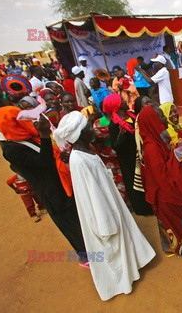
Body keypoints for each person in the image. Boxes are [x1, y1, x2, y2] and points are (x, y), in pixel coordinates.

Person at [53, 111, 155, 300]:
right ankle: (122, 280)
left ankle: (132, 267)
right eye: (88, 128)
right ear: (79, 134)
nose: (92, 129)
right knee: (112, 245)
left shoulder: (86, 150)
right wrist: (105, 222)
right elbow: (91, 195)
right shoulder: (79, 160)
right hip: (102, 211)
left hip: (110, 202)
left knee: (123, 239)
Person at [0, 107, 86, 262]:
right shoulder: (12, 149)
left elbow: (50, 154)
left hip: (63, 185)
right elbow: (43, 163)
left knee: (80, 220)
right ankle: (89, 259)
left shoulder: (28, 136)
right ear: (12, 124)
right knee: (74, 227)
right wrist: (44, 135)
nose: (27, 121)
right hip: (54, 194)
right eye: (21, 119)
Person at [138, 104, 182, 262]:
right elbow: (162, 176)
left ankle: (170, 246)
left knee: (169, 223)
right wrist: (178, 157)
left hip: (163, 189)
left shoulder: (158, 139)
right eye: (160, 116)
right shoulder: (151, 148)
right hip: (165, 192)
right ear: (153, 121)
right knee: (181, 220)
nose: (164, 118)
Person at [102, 94, 153, 215]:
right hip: (129, 160)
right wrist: (121, 136)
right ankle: (143, 209)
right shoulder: (114, 125)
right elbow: (115, 146)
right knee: (135, 184)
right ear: (117, 106)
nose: (125, 101)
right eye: (122, 101)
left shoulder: (131, 116)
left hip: (139, 155)